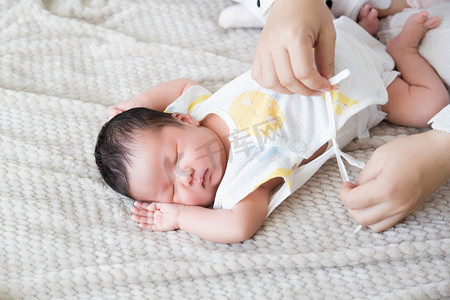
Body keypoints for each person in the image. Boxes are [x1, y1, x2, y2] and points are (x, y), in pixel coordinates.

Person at [95, 13, 448, 244]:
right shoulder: (239, 186)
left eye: (174, 159)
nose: (184, 178)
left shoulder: (200, 109)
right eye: (170, 191)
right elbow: (238, 227)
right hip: (369, 91)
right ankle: (402, 50)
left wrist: (137, 104)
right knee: (431, 105)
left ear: (183, 120)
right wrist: (180, 216)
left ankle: (363, 32)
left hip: (322, 45)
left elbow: (178, 85)